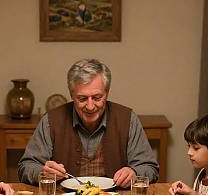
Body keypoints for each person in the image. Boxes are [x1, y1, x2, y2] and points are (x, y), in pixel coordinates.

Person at [18, 58, 159, 188]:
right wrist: (42, 173)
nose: (90, 106)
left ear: (107, 93)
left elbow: (150, 167)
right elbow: (26, 167)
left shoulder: (128, 120)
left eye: (97, 97)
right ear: (72, 95)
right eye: (82, 98)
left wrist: (134, 172)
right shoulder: (51, 121)